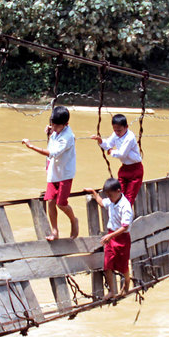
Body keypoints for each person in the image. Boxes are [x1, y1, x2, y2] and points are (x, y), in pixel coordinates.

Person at [22, 105, 79, 241]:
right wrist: (50, 134)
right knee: (50, 201)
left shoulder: (67, 137)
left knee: (61, 203)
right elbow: (51, 146)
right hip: (53, 173)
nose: (54, 127)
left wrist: (31, 146)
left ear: (66, 125)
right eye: (52, 124)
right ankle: (55, 231)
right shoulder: (55, 132)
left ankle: (73, 219)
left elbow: (52, 153)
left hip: (64, 174)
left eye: (56, 126)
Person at [86, 178, 133, 298]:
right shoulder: (112, 201)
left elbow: (125, 227)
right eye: (107, 195)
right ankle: (112, 291)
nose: (109, 198)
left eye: (110, 195)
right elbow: (102, 203)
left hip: (121, 238)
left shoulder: (125, 206)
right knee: (108, 265)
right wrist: (94, 193)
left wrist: (110, 236)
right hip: (111, 237)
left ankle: (127, 282)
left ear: (118, 191)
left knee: (123, 265)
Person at [90, 114, 143, 206]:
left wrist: (111, 151)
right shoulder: (115, 134)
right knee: (118, 195)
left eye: (119, 130)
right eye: (115, 130)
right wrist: (100, 141)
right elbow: (108, 144)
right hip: (124, 168)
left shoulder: (129, 137)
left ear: (126, 127)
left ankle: (124, 219)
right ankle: (116, 215)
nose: (117, 132)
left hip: (135, 170)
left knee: (128, 199)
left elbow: (122, 154)